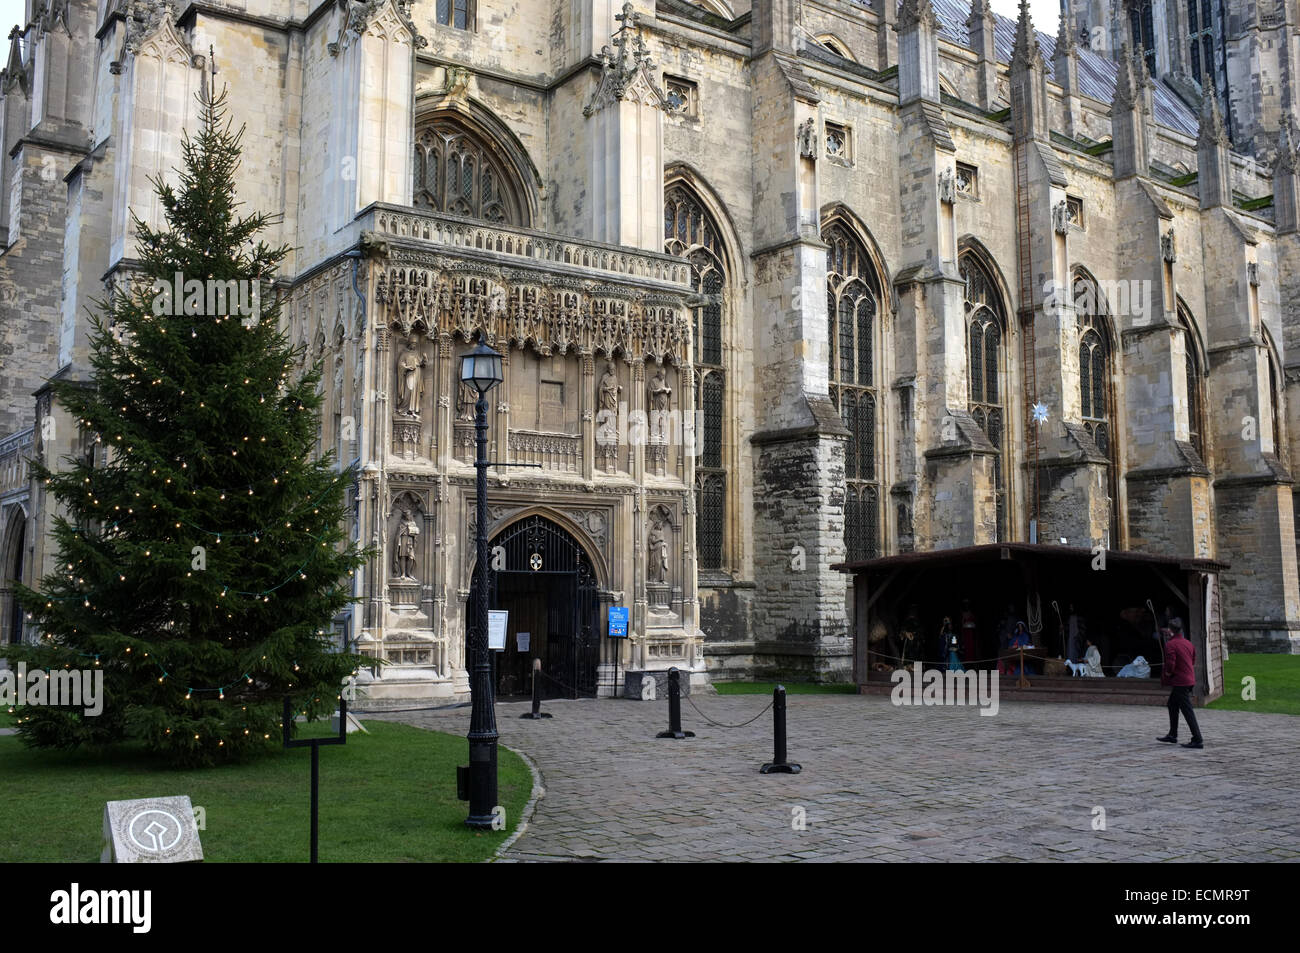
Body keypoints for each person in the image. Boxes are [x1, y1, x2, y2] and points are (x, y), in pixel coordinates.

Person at [1158, 618, 1204, 748]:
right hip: (1188, 680)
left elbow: (1171, 664)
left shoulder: (1171, 645)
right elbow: (1193, 660)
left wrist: (1167, 674)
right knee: (1172, 704)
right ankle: (1172, 735)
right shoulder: (1188, 643)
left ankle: (1198, 739)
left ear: (1170, 630)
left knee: (1187, 710)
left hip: (1180, 682)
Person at [959, 599, 978, 667]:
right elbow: (962, 625)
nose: (966, 605)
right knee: (966, 648)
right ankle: (966, 663)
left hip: (971, 633)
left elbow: (974, 623)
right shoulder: (962, 614)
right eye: (965, 604)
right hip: (965, 633)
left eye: (967, 604)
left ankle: (972, 663)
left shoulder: (972, 613)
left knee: (971, 648)